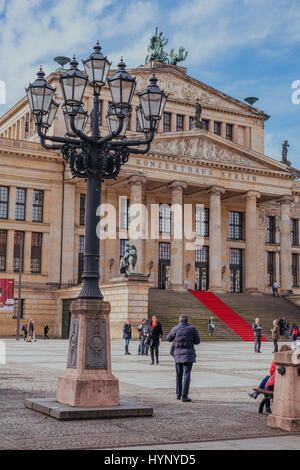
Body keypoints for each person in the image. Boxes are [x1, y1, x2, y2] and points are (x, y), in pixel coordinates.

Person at [167, 314, 200, 402]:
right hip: (188, 355)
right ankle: (184, 396)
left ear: (179, 321)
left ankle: (178, 394)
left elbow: (168, 338)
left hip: (177, 355)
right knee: (187, 375)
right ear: (187, 321)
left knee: (178, 375)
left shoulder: (175, 328)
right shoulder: (192, 329)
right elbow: (197, 341)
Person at [249, 345, 291, 413]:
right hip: (286, 385)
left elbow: (271, 372)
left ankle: (262, 400)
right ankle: (257, 394)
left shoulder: (276, 361)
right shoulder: (292, 362)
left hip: (276, 385)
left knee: (267, 381)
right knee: (267, 380)